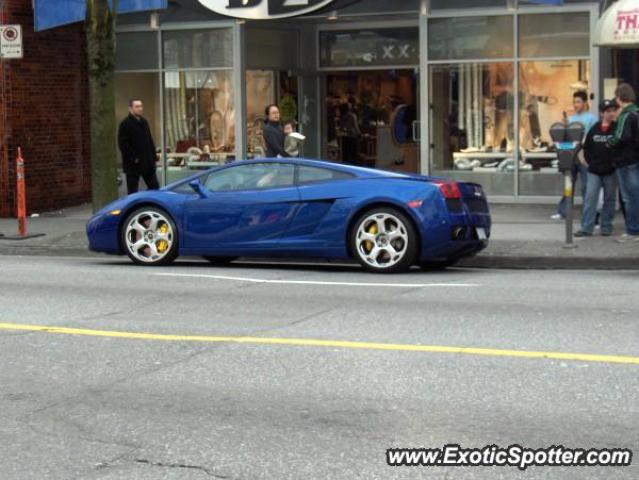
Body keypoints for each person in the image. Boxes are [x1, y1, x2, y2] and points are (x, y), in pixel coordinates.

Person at [574, 100, 618, 237]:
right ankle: (587, 228)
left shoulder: (617, 128)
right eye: (608, 111)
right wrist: (586, 162)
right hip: (594, 171)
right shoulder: (594, 128)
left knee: (609, 200)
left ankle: (606, 227)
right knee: (590, 199)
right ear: (601, 113)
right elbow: (585, 147)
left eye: (613, 110)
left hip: (611, 171)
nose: (611, 113)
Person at [552, 91, 598, 220]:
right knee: (569, 182)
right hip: (571, 154)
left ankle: (588, 213)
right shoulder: (571, 119)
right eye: (574, 102)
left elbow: (593, 135)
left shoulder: (591, 118)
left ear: (585, 103)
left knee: (586, 185)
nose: (576, 104)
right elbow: (565, 138)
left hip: (585, 153)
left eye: (578, 102)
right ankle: (563, 211)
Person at [607, 83, 639, 243]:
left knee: (629, 198)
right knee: (635, 196)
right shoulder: (637, 112)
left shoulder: (626, 115)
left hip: (625, 160)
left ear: (619, 97)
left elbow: (620, 136)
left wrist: (609, 143)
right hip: (634, 159)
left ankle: (633, 230)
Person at [117, 99, 160, 195]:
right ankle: (135, 208)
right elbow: (123, 144)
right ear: (130, 108)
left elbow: (149, 140)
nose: (140, 108)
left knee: (155, 187)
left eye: (141, 106)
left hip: (147, 162)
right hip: (133, 164)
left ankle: (150, 204)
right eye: (137, 106)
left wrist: (153, 155)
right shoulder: (125, 124)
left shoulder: (144, 122)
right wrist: (134, 158)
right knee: (132, 191)